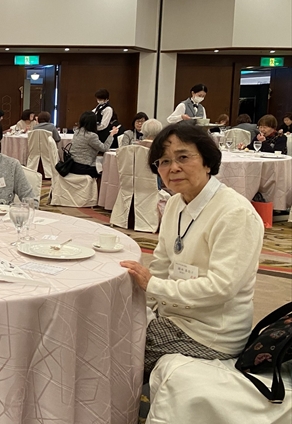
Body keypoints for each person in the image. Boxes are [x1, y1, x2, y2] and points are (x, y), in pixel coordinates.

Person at [120, 123, 263, 382]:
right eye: (164, 161)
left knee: (117, 349)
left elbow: (221, 287)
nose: (173, 168)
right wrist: (144, 308)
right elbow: (162, 264)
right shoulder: (175, 203)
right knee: (111, 324)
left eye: (183, 157)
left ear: (208, 162)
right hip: (174, 316)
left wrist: (154, 286)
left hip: (210, 333)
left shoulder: (235, 213)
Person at [69, 110, 119, 177]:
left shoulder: (77, 132)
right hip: (83, 167)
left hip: (72, 165)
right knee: (106, 173)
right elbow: (105, 148)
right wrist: (112, 134)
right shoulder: (91, 136)